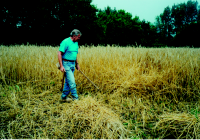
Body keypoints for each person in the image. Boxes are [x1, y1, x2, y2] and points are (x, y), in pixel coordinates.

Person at [58, 29, 81, 102]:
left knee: (68, 82)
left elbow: (74, 55)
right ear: (74, 36)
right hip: (66, 64)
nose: (79, 38)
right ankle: (75, 98)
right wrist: (61, 66)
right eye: (78, 37)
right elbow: (59, 53)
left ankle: (63, 97)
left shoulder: (76, 43)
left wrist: (77, 64)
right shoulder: (65, 42)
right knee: (72, 82)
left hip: (72, 64)